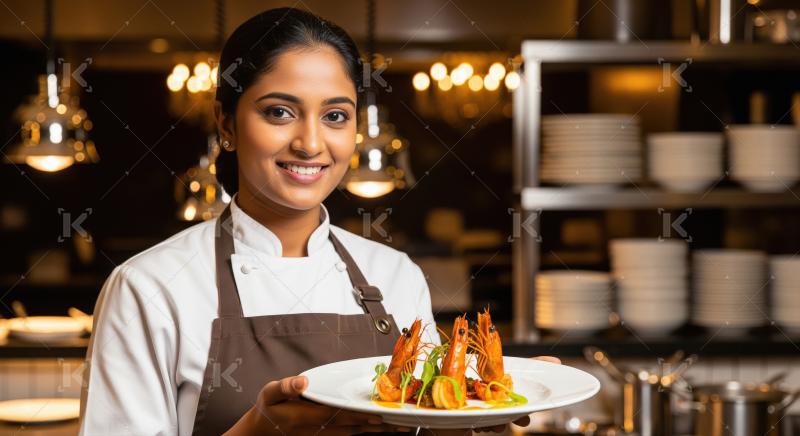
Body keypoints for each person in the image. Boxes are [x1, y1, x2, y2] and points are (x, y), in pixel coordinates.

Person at [79, 7, 557, 435]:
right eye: (280, 112)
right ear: (226, 123)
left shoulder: (395, 275)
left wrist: (477, 417)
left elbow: (424, 420)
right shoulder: (149, 288)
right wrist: (256, 431)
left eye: (334, 115)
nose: (310, 143)